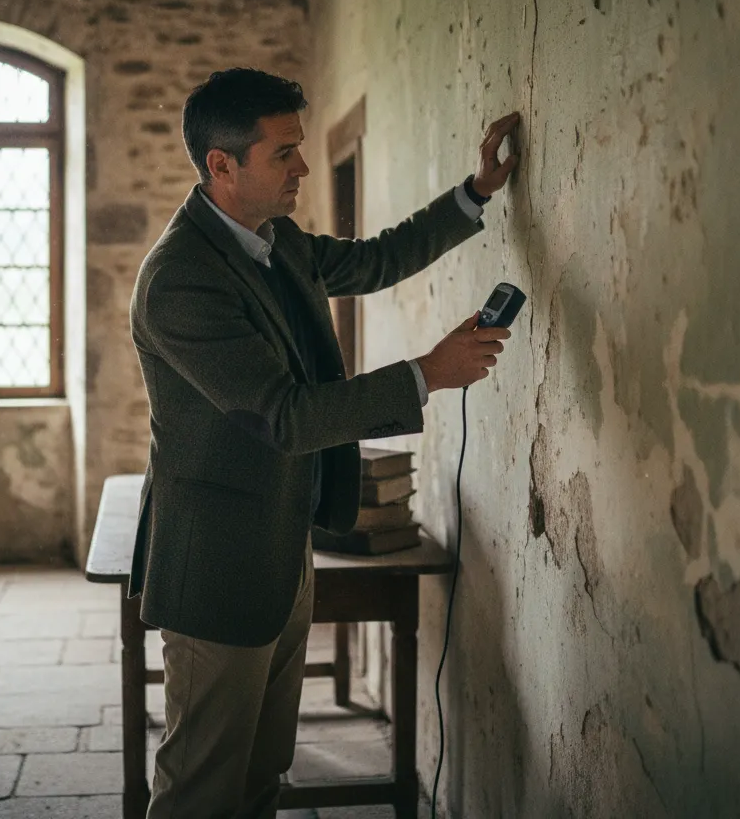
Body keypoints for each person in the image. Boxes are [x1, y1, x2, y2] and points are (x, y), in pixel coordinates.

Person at [128, 68, 519, 818]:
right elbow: (286, 417)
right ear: (221, 165)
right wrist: (427, 375)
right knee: (200, 791)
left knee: (262, 774)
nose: (303, 167)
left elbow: (375, 260)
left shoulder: (274, 240)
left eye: (300, 149)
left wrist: (476, 192)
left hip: (281, 550)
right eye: (283, 154)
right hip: (216, 566)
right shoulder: (179, 281)